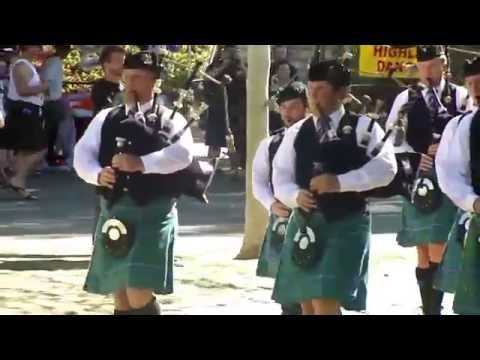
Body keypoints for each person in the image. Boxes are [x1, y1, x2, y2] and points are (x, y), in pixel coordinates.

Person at [271, 60, 397, 315]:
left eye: (322, 88)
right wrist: (295, 196)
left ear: (342, 93)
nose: (314, 95)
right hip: (305, 223)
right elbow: (281, 175)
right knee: (307, 303)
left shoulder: (364, 127)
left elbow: (386, 168)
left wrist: (341, 182)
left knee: (325, 300)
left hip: (346, 221)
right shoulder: (297, 131)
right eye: (311, 88)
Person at [74, 51, 194, 315]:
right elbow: (82, 155)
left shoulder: (172, 118)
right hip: (116, 210)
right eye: (127, 77)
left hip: (154, 211)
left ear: (155, 83)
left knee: (138, 291)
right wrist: (97, 174)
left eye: (139, 78)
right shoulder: (106, 117)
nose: (131, 84)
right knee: (120, 294)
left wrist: (142, 163)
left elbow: (183, 155)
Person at [386, 45, 469, 315]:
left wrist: (446, 146)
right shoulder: (406, 99)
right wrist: (413, 156)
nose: (427, 72)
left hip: (448, 177)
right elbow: (392, 140)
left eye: (433, 65)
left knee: (438, 243)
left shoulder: (461, 95)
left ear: (444, 63)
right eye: (422, 67)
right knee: (422, 248)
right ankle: (430, 308)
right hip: (417, 178)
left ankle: (436, 306)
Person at [253, 82, 308, 315]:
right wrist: (271, 203)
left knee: (314, 288)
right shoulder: (270, 143)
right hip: (284, 220)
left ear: (308, 107)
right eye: (283, 107)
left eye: (293, 107)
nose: (287, 113)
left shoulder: (322, 139)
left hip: (315, 219)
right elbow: (258, 181)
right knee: (288, 289)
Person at [433, 57, 480, 315]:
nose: (476, 90)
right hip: (476, 215)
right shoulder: (462, 125)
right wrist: (472, 201)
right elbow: (449, 174)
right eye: (471, 84)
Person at [2, 45, 49, 200]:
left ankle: (17, 179)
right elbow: (23, 90)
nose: (38, 50)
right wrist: (44, 86)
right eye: (35, 47)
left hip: (32, 109)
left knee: (26, 149)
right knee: (39, 148)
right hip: (24, 110)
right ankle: (16, 175)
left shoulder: (29, 65)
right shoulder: (21, 65)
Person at [41, 45, 72, 166]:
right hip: (51, 101)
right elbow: (46, 81)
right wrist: (48, 96)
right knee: (51, 130)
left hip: (52, 99)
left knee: (53, 129)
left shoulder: (52, 61)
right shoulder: (54, 62)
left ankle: (50, 153)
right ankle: (49, 154)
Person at [91, 45, 126, 116]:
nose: (124, 64)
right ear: (106, 64)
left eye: (124, 61)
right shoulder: (100, 89)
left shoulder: (126, 87)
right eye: (119, 61)